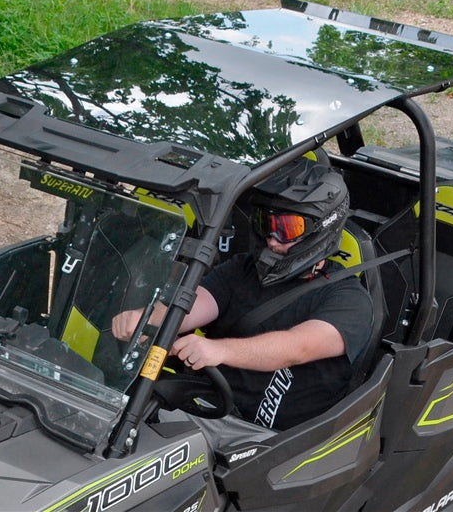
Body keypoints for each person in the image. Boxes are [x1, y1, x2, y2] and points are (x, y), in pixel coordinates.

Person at [112, 158, 373, 432]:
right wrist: (146, 318)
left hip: (269, 443)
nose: (272, 239)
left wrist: (217, 350)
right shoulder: (241, 269)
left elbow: (296, 348)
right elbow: (190, 307)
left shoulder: (349, 300)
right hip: (206, 411)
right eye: (265, 223)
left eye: (287, 228)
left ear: (322, 227)